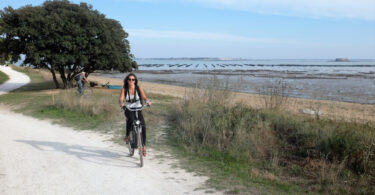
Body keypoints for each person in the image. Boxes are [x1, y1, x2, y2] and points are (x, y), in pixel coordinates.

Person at [119, 73, 151, 157]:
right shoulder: (124, 89)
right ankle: (127, 135)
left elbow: (144, 97)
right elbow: (121, 98)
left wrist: (147, 101)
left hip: (138, 108)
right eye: (129, 79)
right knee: (130, 119)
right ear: (127, 80)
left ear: (135, 81)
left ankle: (143, 146)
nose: (131, 81)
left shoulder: (138, 88)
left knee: (143, 126)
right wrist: (122, 103)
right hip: (129, 108)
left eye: (133, 79)